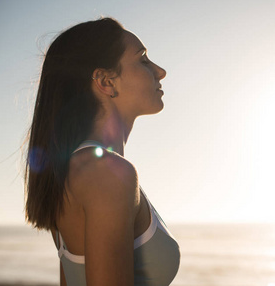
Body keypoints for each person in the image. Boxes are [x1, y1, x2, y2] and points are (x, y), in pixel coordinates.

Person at [24, 18, 180, 286]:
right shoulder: (107, 173)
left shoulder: (75, 171)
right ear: (106, 82)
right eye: (143, 60)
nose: (160, 71)